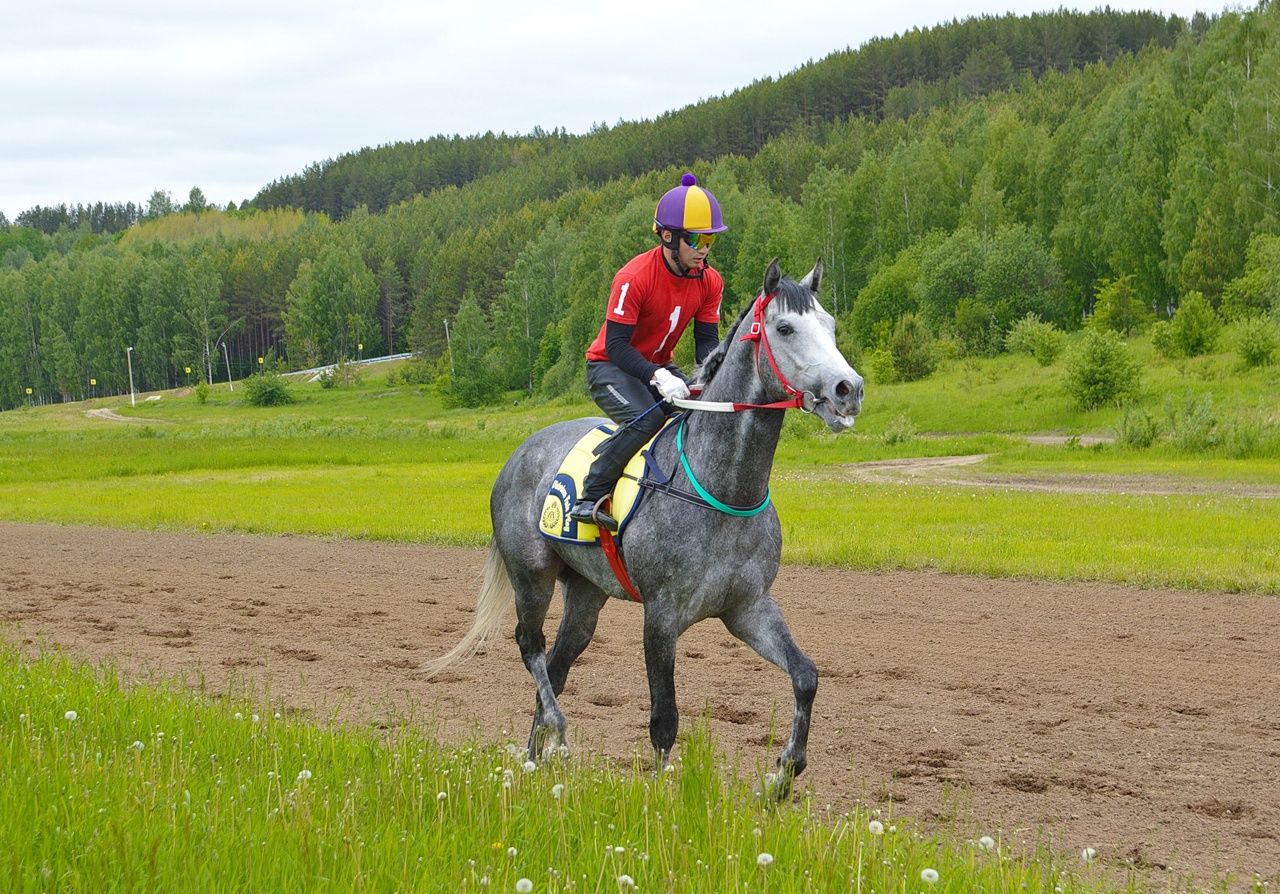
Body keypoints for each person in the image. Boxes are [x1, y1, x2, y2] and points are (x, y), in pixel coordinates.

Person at [567, 172, 727, 532]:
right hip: (610, 366)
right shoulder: (633, 277)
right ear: (668, 237)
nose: (704, 249)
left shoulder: (710, 281)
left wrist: (714, 373)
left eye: (710, 240)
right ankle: (589, 495)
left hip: (659, 366)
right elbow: (616, 346)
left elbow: (706, 342)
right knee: (648, 418)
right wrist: (657, 376)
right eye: (697, 238)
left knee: (695, 413)